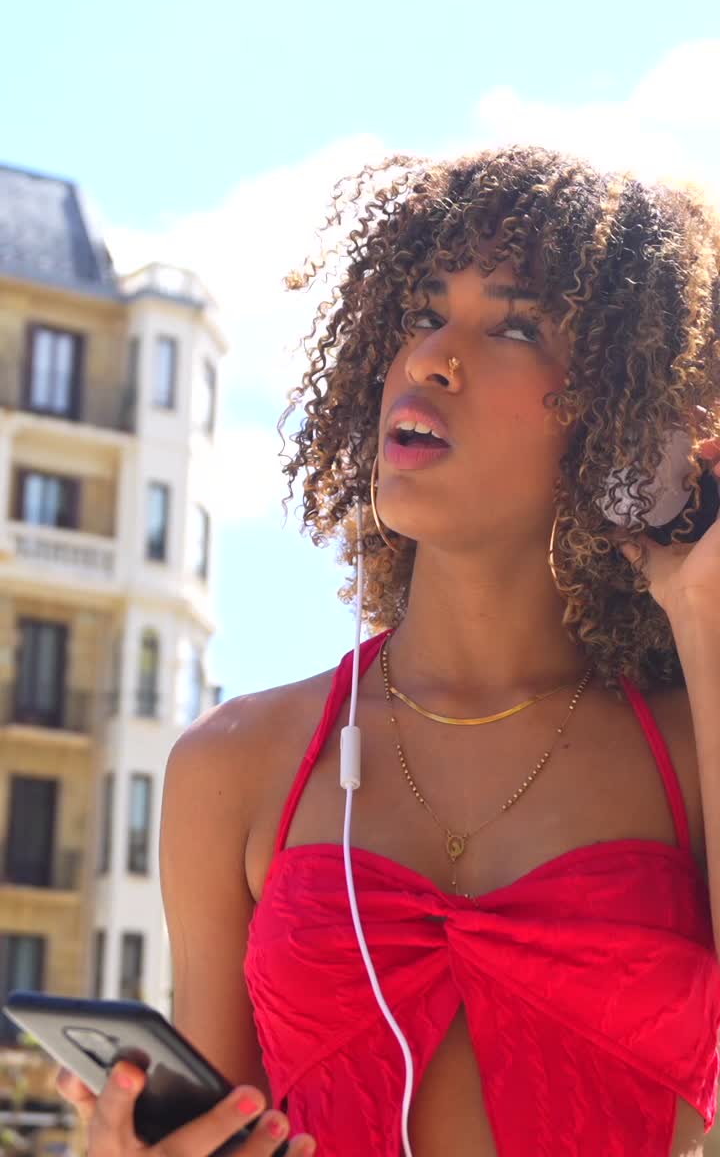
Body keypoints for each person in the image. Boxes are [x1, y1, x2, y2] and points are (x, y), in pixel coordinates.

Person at [56, 144, 720, 1156]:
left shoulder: (690, 743)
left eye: (513, 325)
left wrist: (704, 608)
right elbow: (215, 1128)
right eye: (420, 312)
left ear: (627, 411)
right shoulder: (236, 764)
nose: (433, 357)